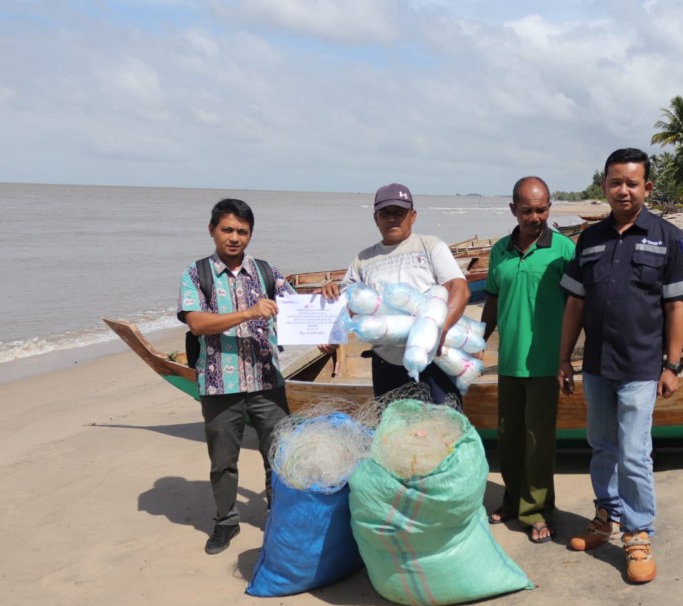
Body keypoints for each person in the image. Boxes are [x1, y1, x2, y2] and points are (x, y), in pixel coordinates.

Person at [558, 148, 683, 584]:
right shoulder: (589, 240)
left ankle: (638, 533)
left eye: (632, 183)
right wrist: (564, 358)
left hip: (641, 367)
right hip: (597, 365)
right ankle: (607, 514)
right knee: (602, 445)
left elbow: (675, 307)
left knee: (635, 453)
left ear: (647, 188)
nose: (623, 190)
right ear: (604, 185)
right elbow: (575, 304)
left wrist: (672, 365)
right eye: (615, 182)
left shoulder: (668, 237)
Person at [178, 198, 295, 555]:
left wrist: (325, 317)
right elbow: (197, 323)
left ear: (250, 235)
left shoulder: (266, 272)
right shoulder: (196, 274)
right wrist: (249, 313)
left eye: (242, 231)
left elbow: (296, 311)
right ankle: (226, 521)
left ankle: (279, 515)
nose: (234, 238)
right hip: (219, 385)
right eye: (227, 230)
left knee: (278, 455)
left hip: (267, 381)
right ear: (212, 230)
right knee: (223, 462)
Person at [480, 176, 576, 544]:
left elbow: (578, 304)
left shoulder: (564, 249)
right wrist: (477, 341)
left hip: (546, 364)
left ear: (549, 207)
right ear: (513, 210)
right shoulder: (499, 251)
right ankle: (512, 500)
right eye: (526, 211)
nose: (534, 217)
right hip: (508, 361)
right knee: (509, 439)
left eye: (541, 210)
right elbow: (492, 300)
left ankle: (537, 511)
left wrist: (567, 358)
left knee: (539, 442)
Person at [320, 183, 471, 406]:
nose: (392, 218)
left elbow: (460, 288)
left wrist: (440, 330)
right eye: (385, 213)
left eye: (399, 212)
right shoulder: (363, 260)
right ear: (376, 219)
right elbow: (347, 306)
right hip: (386, 366)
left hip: (433, 361)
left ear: (413, 215)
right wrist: (327, 298)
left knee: (443, 425)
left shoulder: (430, 246)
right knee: (395, 427)